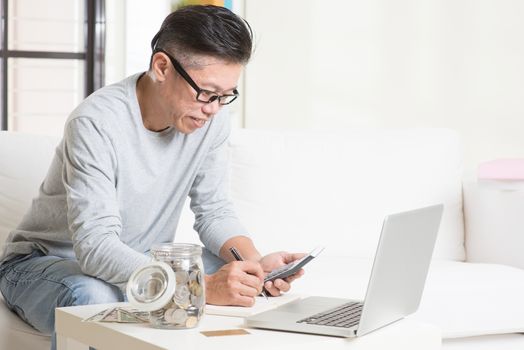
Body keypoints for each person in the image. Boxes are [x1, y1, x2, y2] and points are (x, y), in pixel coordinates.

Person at [0, 5, 304, 349]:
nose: (213, 108)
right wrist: (197, 287)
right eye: (205, 93)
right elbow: (96, 248)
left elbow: (215, 210)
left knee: (231, 273)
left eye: (224, 96)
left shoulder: (212, 119)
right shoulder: (96, 123)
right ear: (162, 67)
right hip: (48, 264)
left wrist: (255, 267)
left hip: (144, 259)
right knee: (93, 294)